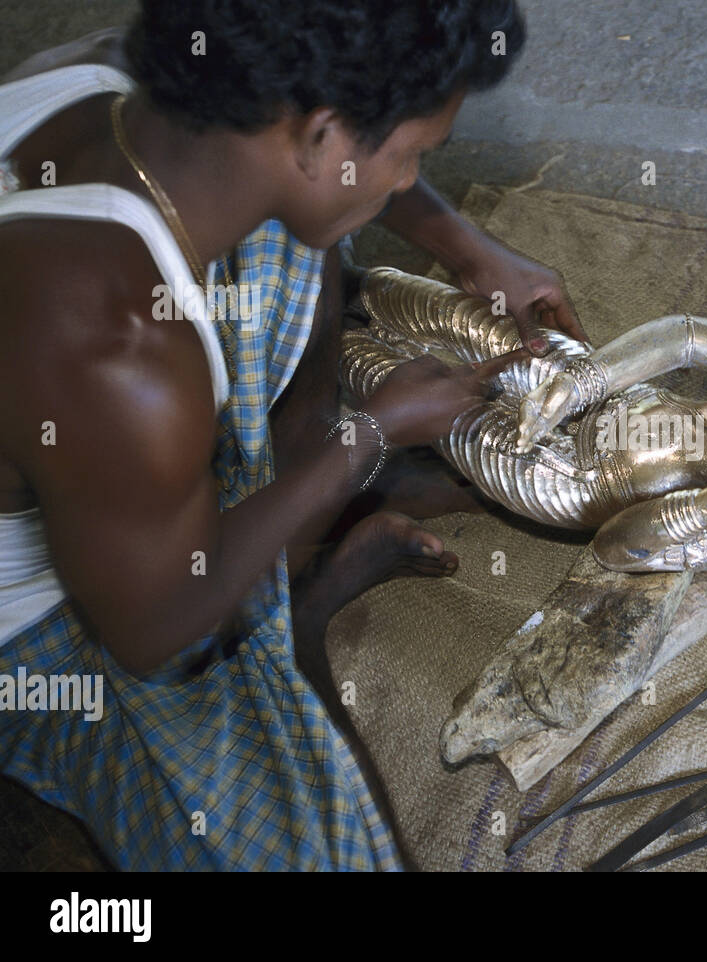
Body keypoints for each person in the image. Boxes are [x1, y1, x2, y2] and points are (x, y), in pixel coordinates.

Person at [0, 0, 586, 870]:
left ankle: (289, 552)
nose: (407, 179)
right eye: (412, 154)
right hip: (64, 611)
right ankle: (296, 613)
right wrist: (368, 437)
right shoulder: (111, 337)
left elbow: (323, 165)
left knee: (303, 233)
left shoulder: (128, 78)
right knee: (318, 855)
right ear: (321, 134)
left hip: (117, 466)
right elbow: (154, 625)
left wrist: (467, 251)